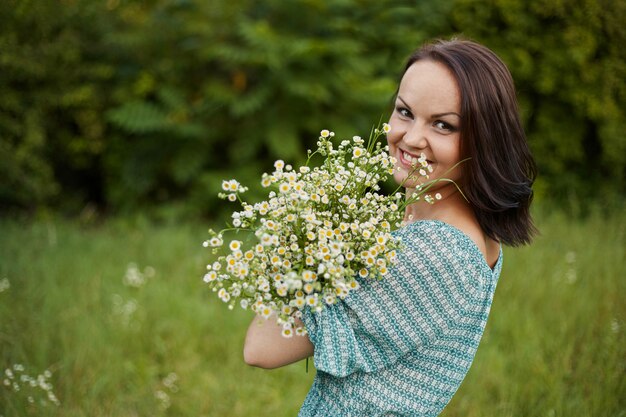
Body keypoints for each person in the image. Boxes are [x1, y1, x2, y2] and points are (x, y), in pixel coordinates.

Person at [243, 38, 536, 416]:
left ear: (484, 140)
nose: (411, 138)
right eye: (404, 112)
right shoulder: (446, 222)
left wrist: (300, 237)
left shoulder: (436, 252)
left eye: (443, 125)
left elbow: (261, 347)